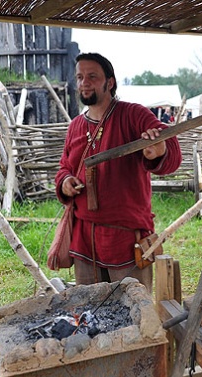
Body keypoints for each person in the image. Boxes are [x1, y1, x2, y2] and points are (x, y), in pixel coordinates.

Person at [54, 53, 182, 291]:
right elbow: (64, 167)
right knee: (89, 309)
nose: (84, 83)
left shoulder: (133, 115)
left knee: (133, 309)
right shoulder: (76, 126)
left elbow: (169, 150)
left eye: (92, 76)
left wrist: (158, 150)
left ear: (109, 83)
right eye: (80, 77)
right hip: (84, 240)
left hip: (124, 239)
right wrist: (65, 182)